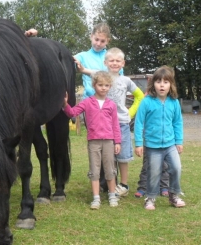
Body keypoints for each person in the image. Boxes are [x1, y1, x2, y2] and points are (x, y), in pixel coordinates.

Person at [75, 47, 144, 197]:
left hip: (122, 124)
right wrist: (79, 64)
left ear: (123, 63)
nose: (114, 63)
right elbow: (84, 70)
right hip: (105, 125)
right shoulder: (101, 76)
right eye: (111, 60)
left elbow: (140, 96)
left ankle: (124, 185)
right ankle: (109, 184)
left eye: (118, 60)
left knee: (123, 155)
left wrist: (130, 113)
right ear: (105, 62)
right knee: (108, 156)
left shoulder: (126, 80)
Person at [62, 71, 121, 209]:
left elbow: (115, 125)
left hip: (108, 141)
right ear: (94, 85)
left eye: (106, 85)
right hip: (93, 141)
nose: (103, 88)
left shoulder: (111, 105)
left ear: (110, 86)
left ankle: (112, 195)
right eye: (100, 85)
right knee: (94, 170)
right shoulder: (87, 102)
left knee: (110, 169)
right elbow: (72, 113)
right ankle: (96, 198)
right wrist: (65, 104)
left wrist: (117, 142)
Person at [134, 65, 186, 210]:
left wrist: (179, 141)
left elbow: (177, 122)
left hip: (170, 145)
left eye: (165, 82)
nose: (162, 85)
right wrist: (139, 143)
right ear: (153, 84)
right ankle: (150, 198)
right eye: (158, 82)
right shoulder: (146, 102)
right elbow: (138, 123)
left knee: (176, 167)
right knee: (154, 172)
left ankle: (174, 195)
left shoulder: (174, 102)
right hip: (152, 146)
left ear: (171, 84)